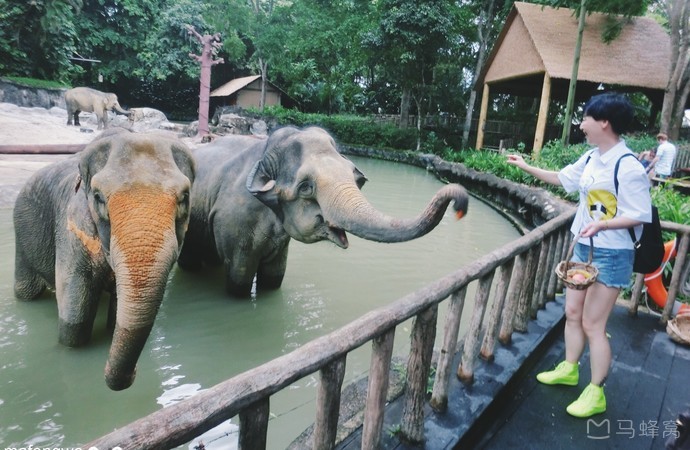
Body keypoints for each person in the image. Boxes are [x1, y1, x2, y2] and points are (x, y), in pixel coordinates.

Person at [507, 92, 652, 418]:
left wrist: (602, 227)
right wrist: (527, 166)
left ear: (604, 122)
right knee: (572, 313)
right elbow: (564, 180)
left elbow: (640, 213)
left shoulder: (628, 167)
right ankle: (570, 368)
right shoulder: (591, 158)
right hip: (584, 248)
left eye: (586, 117)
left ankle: (596, 390)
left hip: (612, 253)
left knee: (593, 323)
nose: (581, 123)